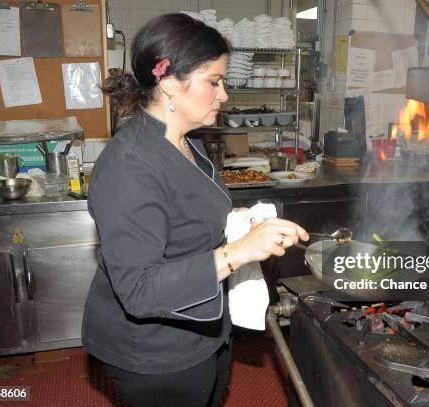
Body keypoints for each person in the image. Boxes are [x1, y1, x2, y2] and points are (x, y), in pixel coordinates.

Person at [81, 13, 309, 407]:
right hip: (157, 351)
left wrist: (242, 228)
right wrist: (238, 252)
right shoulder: (129, 166)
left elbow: (188, 218)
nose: (224, 95)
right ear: (169, 82)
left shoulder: (189, 145)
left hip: (204, 325)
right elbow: (139, 290)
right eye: (214, 82)